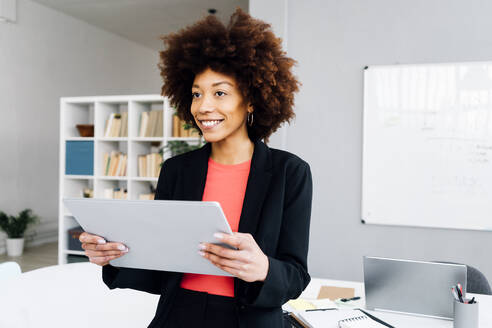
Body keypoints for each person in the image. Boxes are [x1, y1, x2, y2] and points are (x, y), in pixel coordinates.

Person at [79, 8, 312, 328]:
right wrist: (115, 257)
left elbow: (296, 277)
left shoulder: (290, 173)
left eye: (220, 93)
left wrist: (264, 269)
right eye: (196, 94)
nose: (203, 106)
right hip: (179, 315)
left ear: (252, 100)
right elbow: (160, 271)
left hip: (250, 320)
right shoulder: (178, 170)